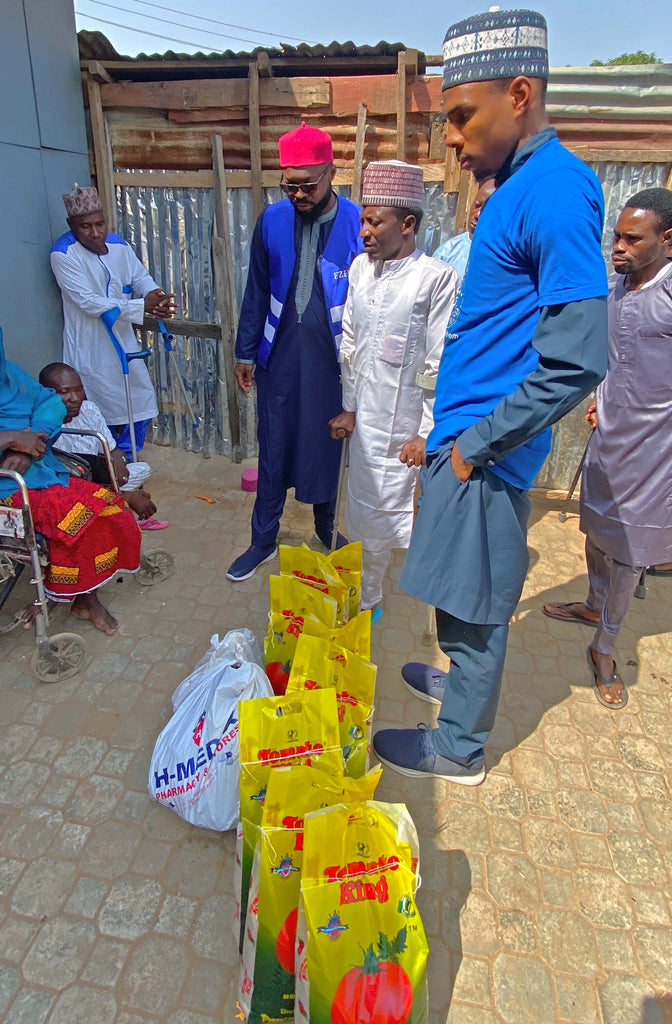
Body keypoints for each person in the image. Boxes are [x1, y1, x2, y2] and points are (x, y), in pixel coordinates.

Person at [372, 8, 608, 785]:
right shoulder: (515, 186)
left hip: (485, 446)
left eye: (461, 116)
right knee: (458, 587)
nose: (450, 137)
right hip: (467, 434)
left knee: (474, 605)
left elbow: (578, 359)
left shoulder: (556, 189)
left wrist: (475, 444)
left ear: (519, 94)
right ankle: (461, 687)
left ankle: (459, 747)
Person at [543, 188, 672, 709]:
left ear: (667, 239)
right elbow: (611, 355)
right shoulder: (615, 288)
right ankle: (594, 605)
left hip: (656, 448)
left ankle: (606, 646)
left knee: (630, 552)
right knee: (596, 529)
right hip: (608, 434)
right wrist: (599, 396)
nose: (618, 247)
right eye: (616, 236)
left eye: (632, 239)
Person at [226, 123, 363, 582]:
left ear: (332, 173)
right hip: (279, 356)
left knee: (327, 444)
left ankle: (326, 527)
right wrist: (246, 352)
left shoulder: (357, 222)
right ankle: (262, 540)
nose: (299, 194)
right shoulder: (272, 219)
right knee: (274, 446)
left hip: (332, 361)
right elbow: (256, 289)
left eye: (308, 184)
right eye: (290, 185)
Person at [328, 160, 458, 613]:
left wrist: (425, 431)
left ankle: (369, 600)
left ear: (407, 224)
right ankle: (362, 587)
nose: (363, 231)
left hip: (403, 424)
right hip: (365, 415)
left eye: (374, 222)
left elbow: (437, 360)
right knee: (361, 509)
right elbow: (350, 342)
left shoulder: (435, 278)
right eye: (362, 220)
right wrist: (349, 407)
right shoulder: (360, 269)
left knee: (384, 513)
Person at [0, 331, 141, 635]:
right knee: (79, 523)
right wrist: (11, 439)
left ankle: (85, 597)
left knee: (112, 506)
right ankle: (62, 594)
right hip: (9, 492)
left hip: (42, 474)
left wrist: (29, 442)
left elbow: (50, 403)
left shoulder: (10, 376)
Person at [50, 184, 176, 459]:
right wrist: (141, 306)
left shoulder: (119, 245)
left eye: (100, 223)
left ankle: (129, 460)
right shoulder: (64, 254)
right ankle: (107, 463)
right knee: (99, 405)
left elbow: (139, 276)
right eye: (85, 226)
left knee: (138, 399)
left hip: (123, 339)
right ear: (71, 225)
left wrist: (154, 294)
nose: (95, 232)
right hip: (90, 346)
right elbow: (88, 302)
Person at [37, 362, 167, 530]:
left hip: (94, 475)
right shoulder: (41, 424)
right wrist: (125, 494)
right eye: (65, 392)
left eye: (79, 390)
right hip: (67, 486)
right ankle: (122, 503)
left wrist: (117, 463)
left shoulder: (89, 410)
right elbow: (62, 480)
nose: (75, 398)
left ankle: (120, 503)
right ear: (46, 394)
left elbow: (112, 448)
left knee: (141, 469)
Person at [433, 177, 496, 285]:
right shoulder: (447, 252)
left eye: (487, 210)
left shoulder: (504, 257)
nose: (477, 215)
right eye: (477, 205)